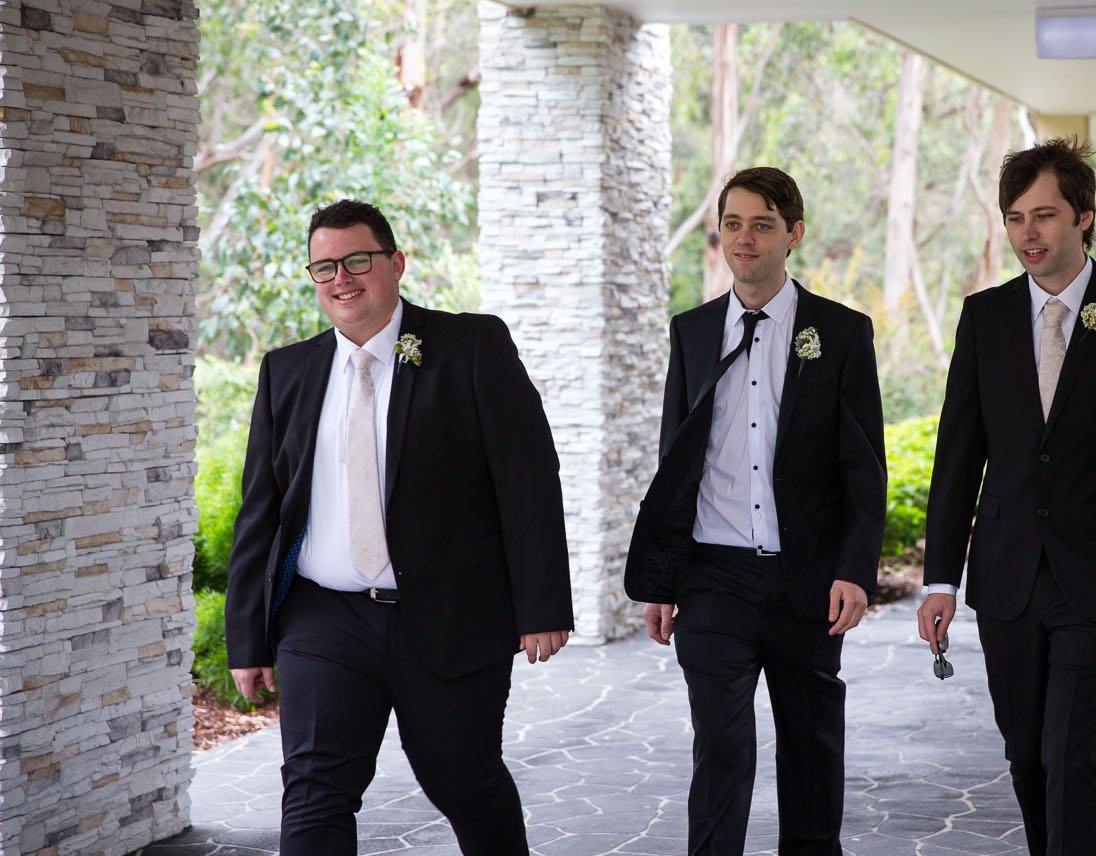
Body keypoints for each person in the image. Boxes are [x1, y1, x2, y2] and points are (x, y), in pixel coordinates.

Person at [224, 199, 573, 855]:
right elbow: (261, 510)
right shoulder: (286, 371)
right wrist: (247, 637)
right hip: (323, 618)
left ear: (396, 264)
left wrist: (543, 604)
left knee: (463, 781)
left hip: (450, 613)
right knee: (314, 792)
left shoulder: (472, 346)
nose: (341, 278)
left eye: (358, 260)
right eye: (324, 267)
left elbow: (527, 479)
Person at [918, 138, 1096, 856]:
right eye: (1015, 218)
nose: (1027, 234)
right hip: (1007, 576)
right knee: (1027, 755)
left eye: (1043, 215)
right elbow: (958, 456)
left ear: (1083, 217)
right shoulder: (984, 317)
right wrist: (941, 579)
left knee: (1073, 753)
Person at [624, 167, 886, 855]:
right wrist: (662, 580)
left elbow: (864, 466)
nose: (745, 238)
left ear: (793, 234)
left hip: (808, 580)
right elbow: (675, 460)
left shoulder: (842, 332)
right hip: (713, 578)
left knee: (811, 750)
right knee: (721, 748)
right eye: (733, 224)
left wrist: (855, 570)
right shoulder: (691, 331)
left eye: (762, 224)